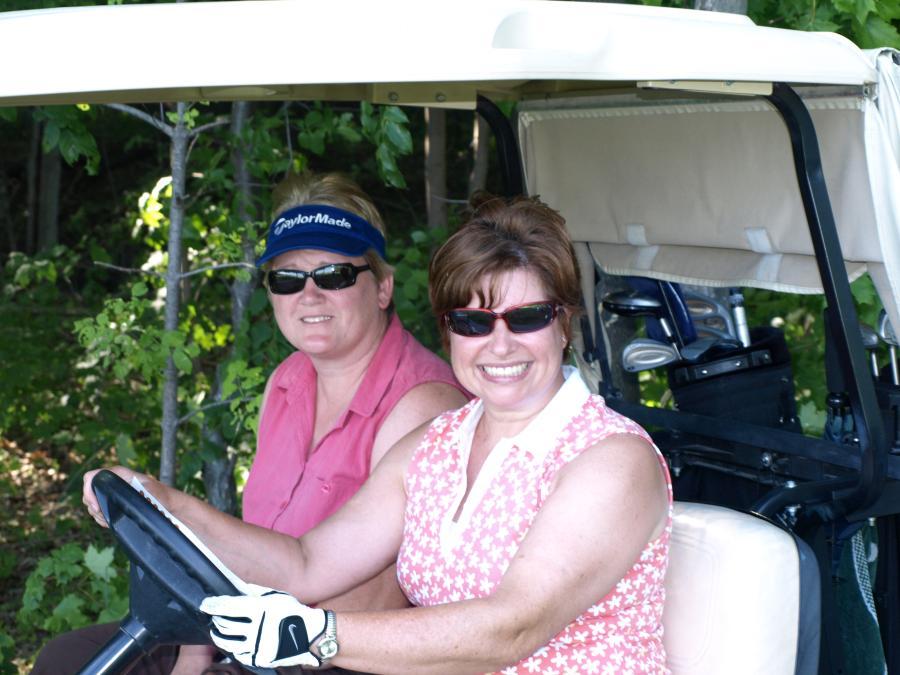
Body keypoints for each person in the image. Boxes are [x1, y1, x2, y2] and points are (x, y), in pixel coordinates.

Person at [82, 194, 673, 674]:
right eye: (472, 322)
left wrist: (317, 635)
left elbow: (512, 627)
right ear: (448, 331)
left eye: (527, 318)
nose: (499, 345)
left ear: (564, 323)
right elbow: (307, 564)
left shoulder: (609, 458)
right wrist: (162, 500)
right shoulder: (436, 445)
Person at [32, 172, 468, 675]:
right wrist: (196, 651)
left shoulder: (422, 407)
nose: (309, 295)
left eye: (333, 275)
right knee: (64, 659)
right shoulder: (286, 383)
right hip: (241, 630)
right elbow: (248, 549)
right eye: (287, 280)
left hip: (328, 654)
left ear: (383, 287)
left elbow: (376, 602)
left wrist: (233, 645)